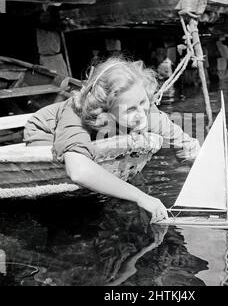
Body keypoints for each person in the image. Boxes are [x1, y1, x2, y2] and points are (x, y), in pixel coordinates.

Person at [24, 57, 200, 224]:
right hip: (47, 133)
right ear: (105, 110)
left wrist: (224, 189)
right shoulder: (75, 114)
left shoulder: (144, 111)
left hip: (104, 133)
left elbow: (188, 148)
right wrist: (140, 197)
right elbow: (78, 172)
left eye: (143, 102)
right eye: (130, 109)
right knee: (62, 205)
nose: (140, 113)